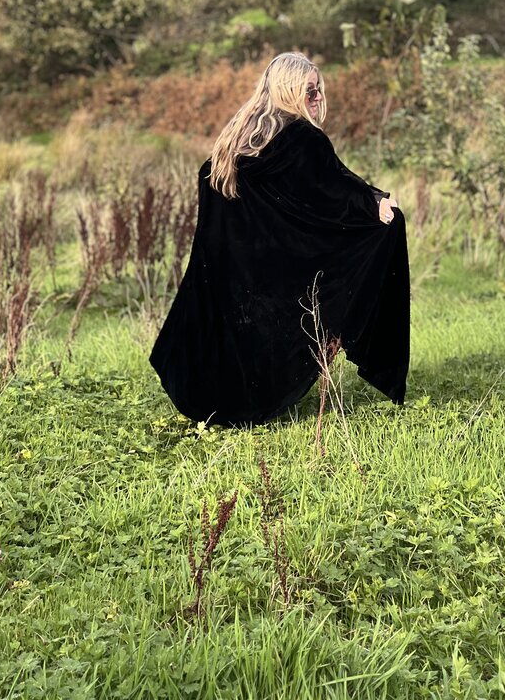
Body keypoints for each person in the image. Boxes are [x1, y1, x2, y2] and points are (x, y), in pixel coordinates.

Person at [148, 50, 410, 427]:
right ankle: (251, 400)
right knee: (329, 288)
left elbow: (312, 188)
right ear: (288, 90)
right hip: (266, 262)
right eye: (310, 92)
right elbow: (331, 188)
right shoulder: (302, 138)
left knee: (241, 332)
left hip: (236, 269)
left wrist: (370, 200)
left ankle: (223, 403)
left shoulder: (238, 136)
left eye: (319, 90)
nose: (318, 99)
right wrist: (375, 206)